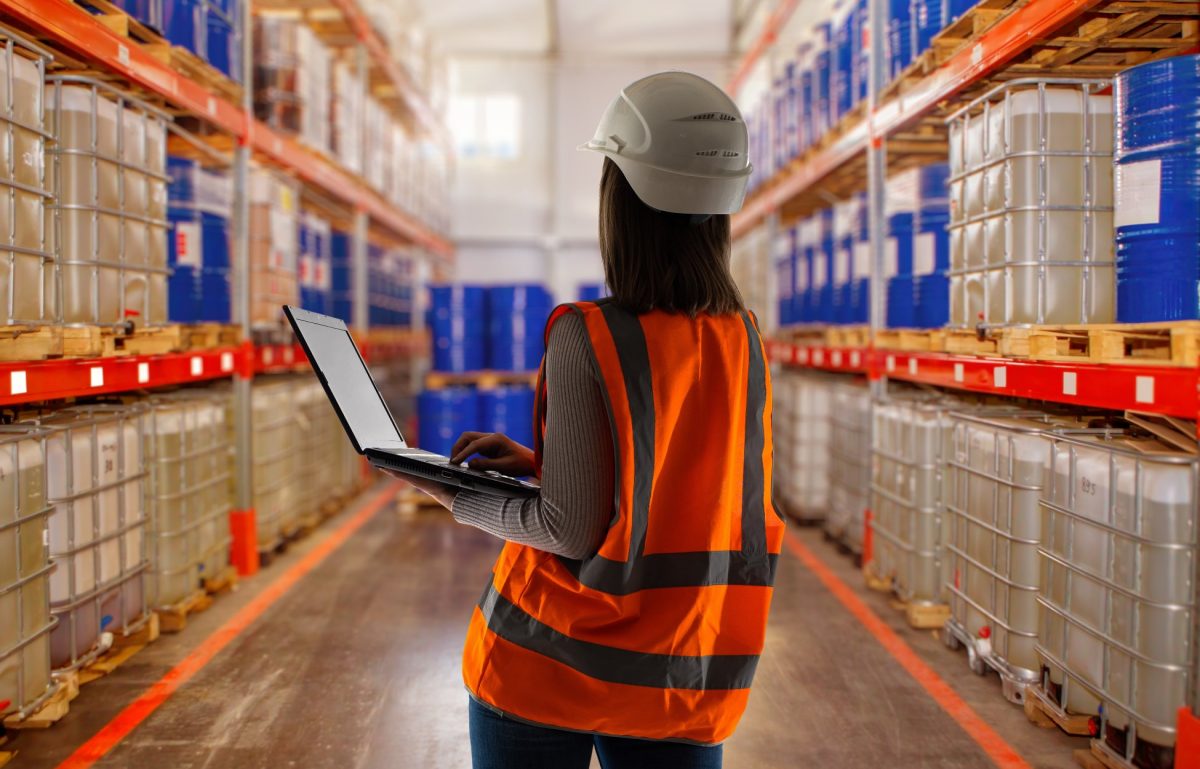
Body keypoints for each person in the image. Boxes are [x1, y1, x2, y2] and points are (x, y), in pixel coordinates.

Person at [395, 71, 785, 769]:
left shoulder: (589, 333)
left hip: (551, 663)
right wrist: (548, 465)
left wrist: (453, 493)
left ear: (621, 200)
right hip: (681, 671)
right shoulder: (746, 341)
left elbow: (568, 529)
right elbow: (677, 486)